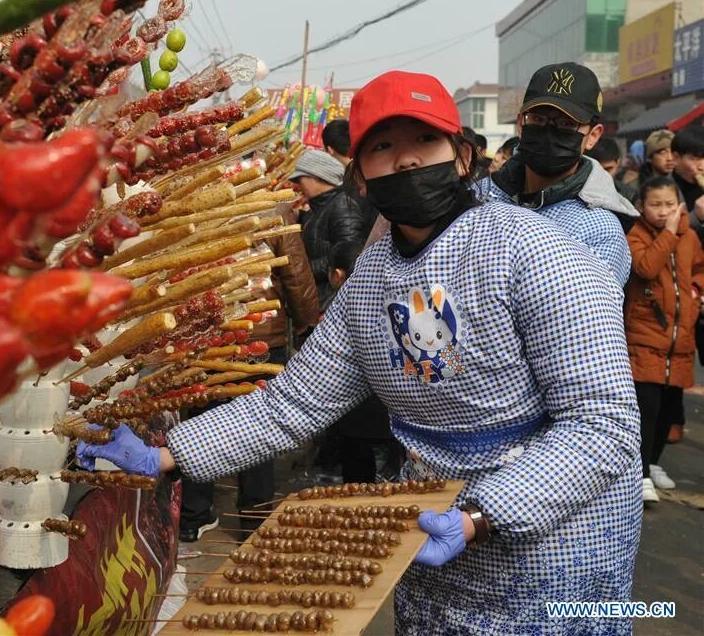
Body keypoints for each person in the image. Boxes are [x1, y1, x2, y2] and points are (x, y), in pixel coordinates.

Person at [79, 70, 642, 634]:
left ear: (463, 157)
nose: (406, 161)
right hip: (428, 518)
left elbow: (603, 424)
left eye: (425, 141)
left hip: (553, 535)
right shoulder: (372, 281)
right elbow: (292, 405)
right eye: (382, 147)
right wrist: (166, 455)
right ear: (361, 179)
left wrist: (480, 514)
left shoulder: (539, 251)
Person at [179, 201, 321, 540]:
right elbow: (296, 276)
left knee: (202, 420)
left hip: (208, 338)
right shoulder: (274, 208)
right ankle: (253, 519)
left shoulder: (199, 202)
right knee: (259, 424)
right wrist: (306, 325)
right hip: (261, 337)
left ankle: (193, 515)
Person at [478, 62, 638, 285]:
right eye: (538, 119)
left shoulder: (601, 230)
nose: (549, 132)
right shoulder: (479, 196)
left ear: (592, 136)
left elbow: (585, 315)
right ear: (521, 125)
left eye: (566, 124)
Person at [625, 176, 704, 503]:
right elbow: (645, 266)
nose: (663, 211)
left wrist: (696, 291)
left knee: (670, 411)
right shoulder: (637, 235)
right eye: (656, 205)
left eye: (669, 204)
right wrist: (670, 233)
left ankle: (654, 463)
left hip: (679, 340)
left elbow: (699, 268)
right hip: (645, 337)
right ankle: (640, 473)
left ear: (680, 204)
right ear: (641, 207)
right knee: (648, 410)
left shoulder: (691, 238)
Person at [325, 240, 399, 483]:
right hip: (394, 423)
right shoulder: (397, 309)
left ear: (337, 275)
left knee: (359, 487)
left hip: (356, 424)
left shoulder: (337, 317)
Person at [291, 150, 368, 311]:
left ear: (317, 177)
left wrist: (302, 270)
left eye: (300, 179)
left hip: (328, 303)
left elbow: (348, 258)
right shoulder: (318, 207)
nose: (297, 186)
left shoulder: (343, 207)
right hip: (315, 297)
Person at [586, 135, 638, 212]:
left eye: (608, 169)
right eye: (597, 169)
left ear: (618, 162)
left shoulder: (630, 195)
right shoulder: (578, 192)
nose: (603, 174)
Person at [671, 125, 704, 224]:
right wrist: (696, 216)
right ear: (676, 158)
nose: (702, 167)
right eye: (695, 158)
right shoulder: (660, 190)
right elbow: (664, 234)